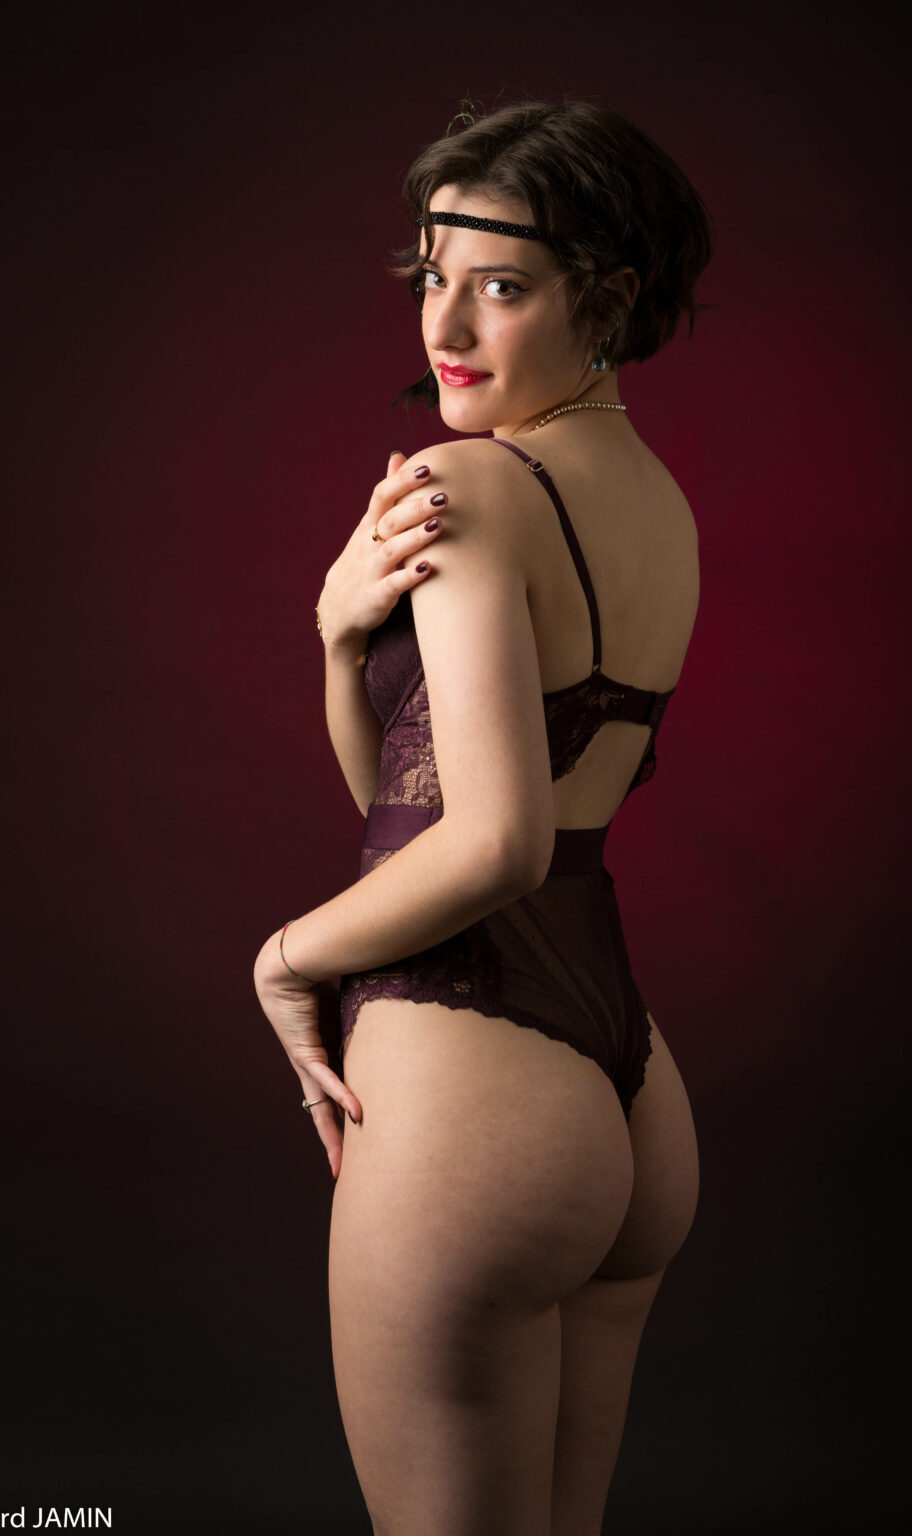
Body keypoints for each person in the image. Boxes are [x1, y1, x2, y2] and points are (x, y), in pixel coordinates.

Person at [253, 98, 714, 1536]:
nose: (444, 327)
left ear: (607, 297)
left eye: (501, 286)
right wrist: (340, 640)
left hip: (477, 1095)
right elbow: (412, 811)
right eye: (429, 277)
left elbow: (490, 846)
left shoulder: (465, 486)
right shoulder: (658, 502)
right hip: (626, 1091)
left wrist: (283, 958)